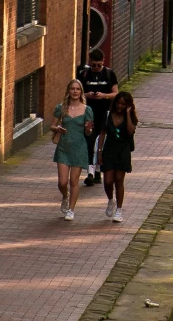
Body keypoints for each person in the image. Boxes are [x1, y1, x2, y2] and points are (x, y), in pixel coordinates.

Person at [52, 80, 94, 220]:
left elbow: (89, 132)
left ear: (81, 92)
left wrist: (88, 129)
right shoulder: (62, 108)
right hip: (64, 147)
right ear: (68, 91)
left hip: (79, 148)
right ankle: (65, 195)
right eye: (72, 89)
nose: (75, 91)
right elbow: (52, 126)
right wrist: (57, 128)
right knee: (62, 182)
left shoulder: (87, 110)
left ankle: (71, 209)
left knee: (74, 181)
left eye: (77, 89)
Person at [75, 50, 118, 182]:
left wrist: (103, 96)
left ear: (103, 62)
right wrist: (86, 95)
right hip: (88, 113)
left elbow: (115, 93)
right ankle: (90, 172)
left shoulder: (109, 74)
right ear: (90, 63)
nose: (96, 68)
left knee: (102, 143)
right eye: (93, 65)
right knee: (89, 141)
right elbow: (76, 93)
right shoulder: (84, 75)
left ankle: (98, 170)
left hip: (104, 113)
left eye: (98, 65)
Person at [98, 90, 138, 223]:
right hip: (109, 149)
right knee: (108, 181)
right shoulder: (108, 114)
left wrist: (127, 114)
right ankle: (111, 200)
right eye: (118, 104)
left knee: (119, 180)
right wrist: (99, 151)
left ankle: (119, 210)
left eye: (123, 104)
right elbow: (103, 133)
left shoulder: (130, 117)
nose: (119, 106)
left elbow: (130, 131)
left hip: (123, 150)